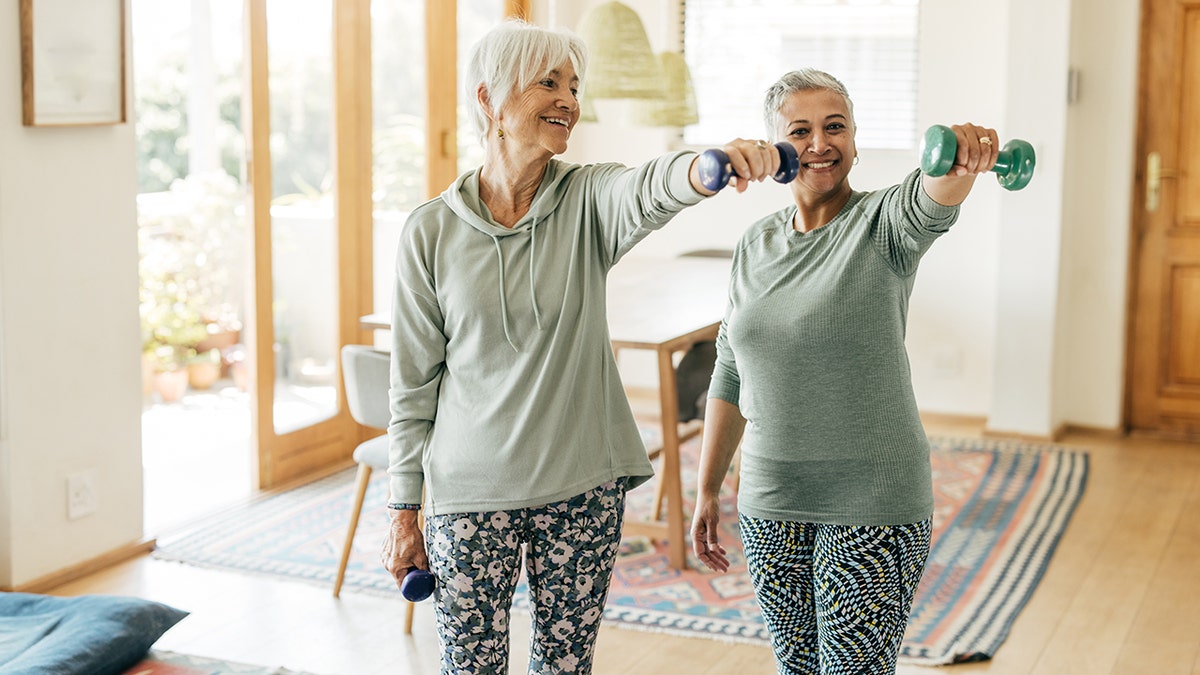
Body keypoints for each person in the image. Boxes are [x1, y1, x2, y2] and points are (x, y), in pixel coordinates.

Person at [380, 19, 780, 674]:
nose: (569, 98)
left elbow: (650, 187)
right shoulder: (429, 232)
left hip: (582, 488)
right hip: (469, 493)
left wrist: (712, 166)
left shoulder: (587, 198)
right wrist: (403, 507)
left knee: (565, 666)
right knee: (469, 666)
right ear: (489, 100)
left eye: (573, 84)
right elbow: (412, 384)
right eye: (549, 82)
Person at [689, 68, 1001, 674]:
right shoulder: (755, 243)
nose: (819, 144)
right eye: (799, 131)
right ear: (776, 149)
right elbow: (730, 366)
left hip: (872, 498)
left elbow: (931, 195)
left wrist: (958, 159)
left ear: (856, 141)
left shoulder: (884, 225)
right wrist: (707, 488)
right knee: (797, 667)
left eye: (836, 128)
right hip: (771, 501)